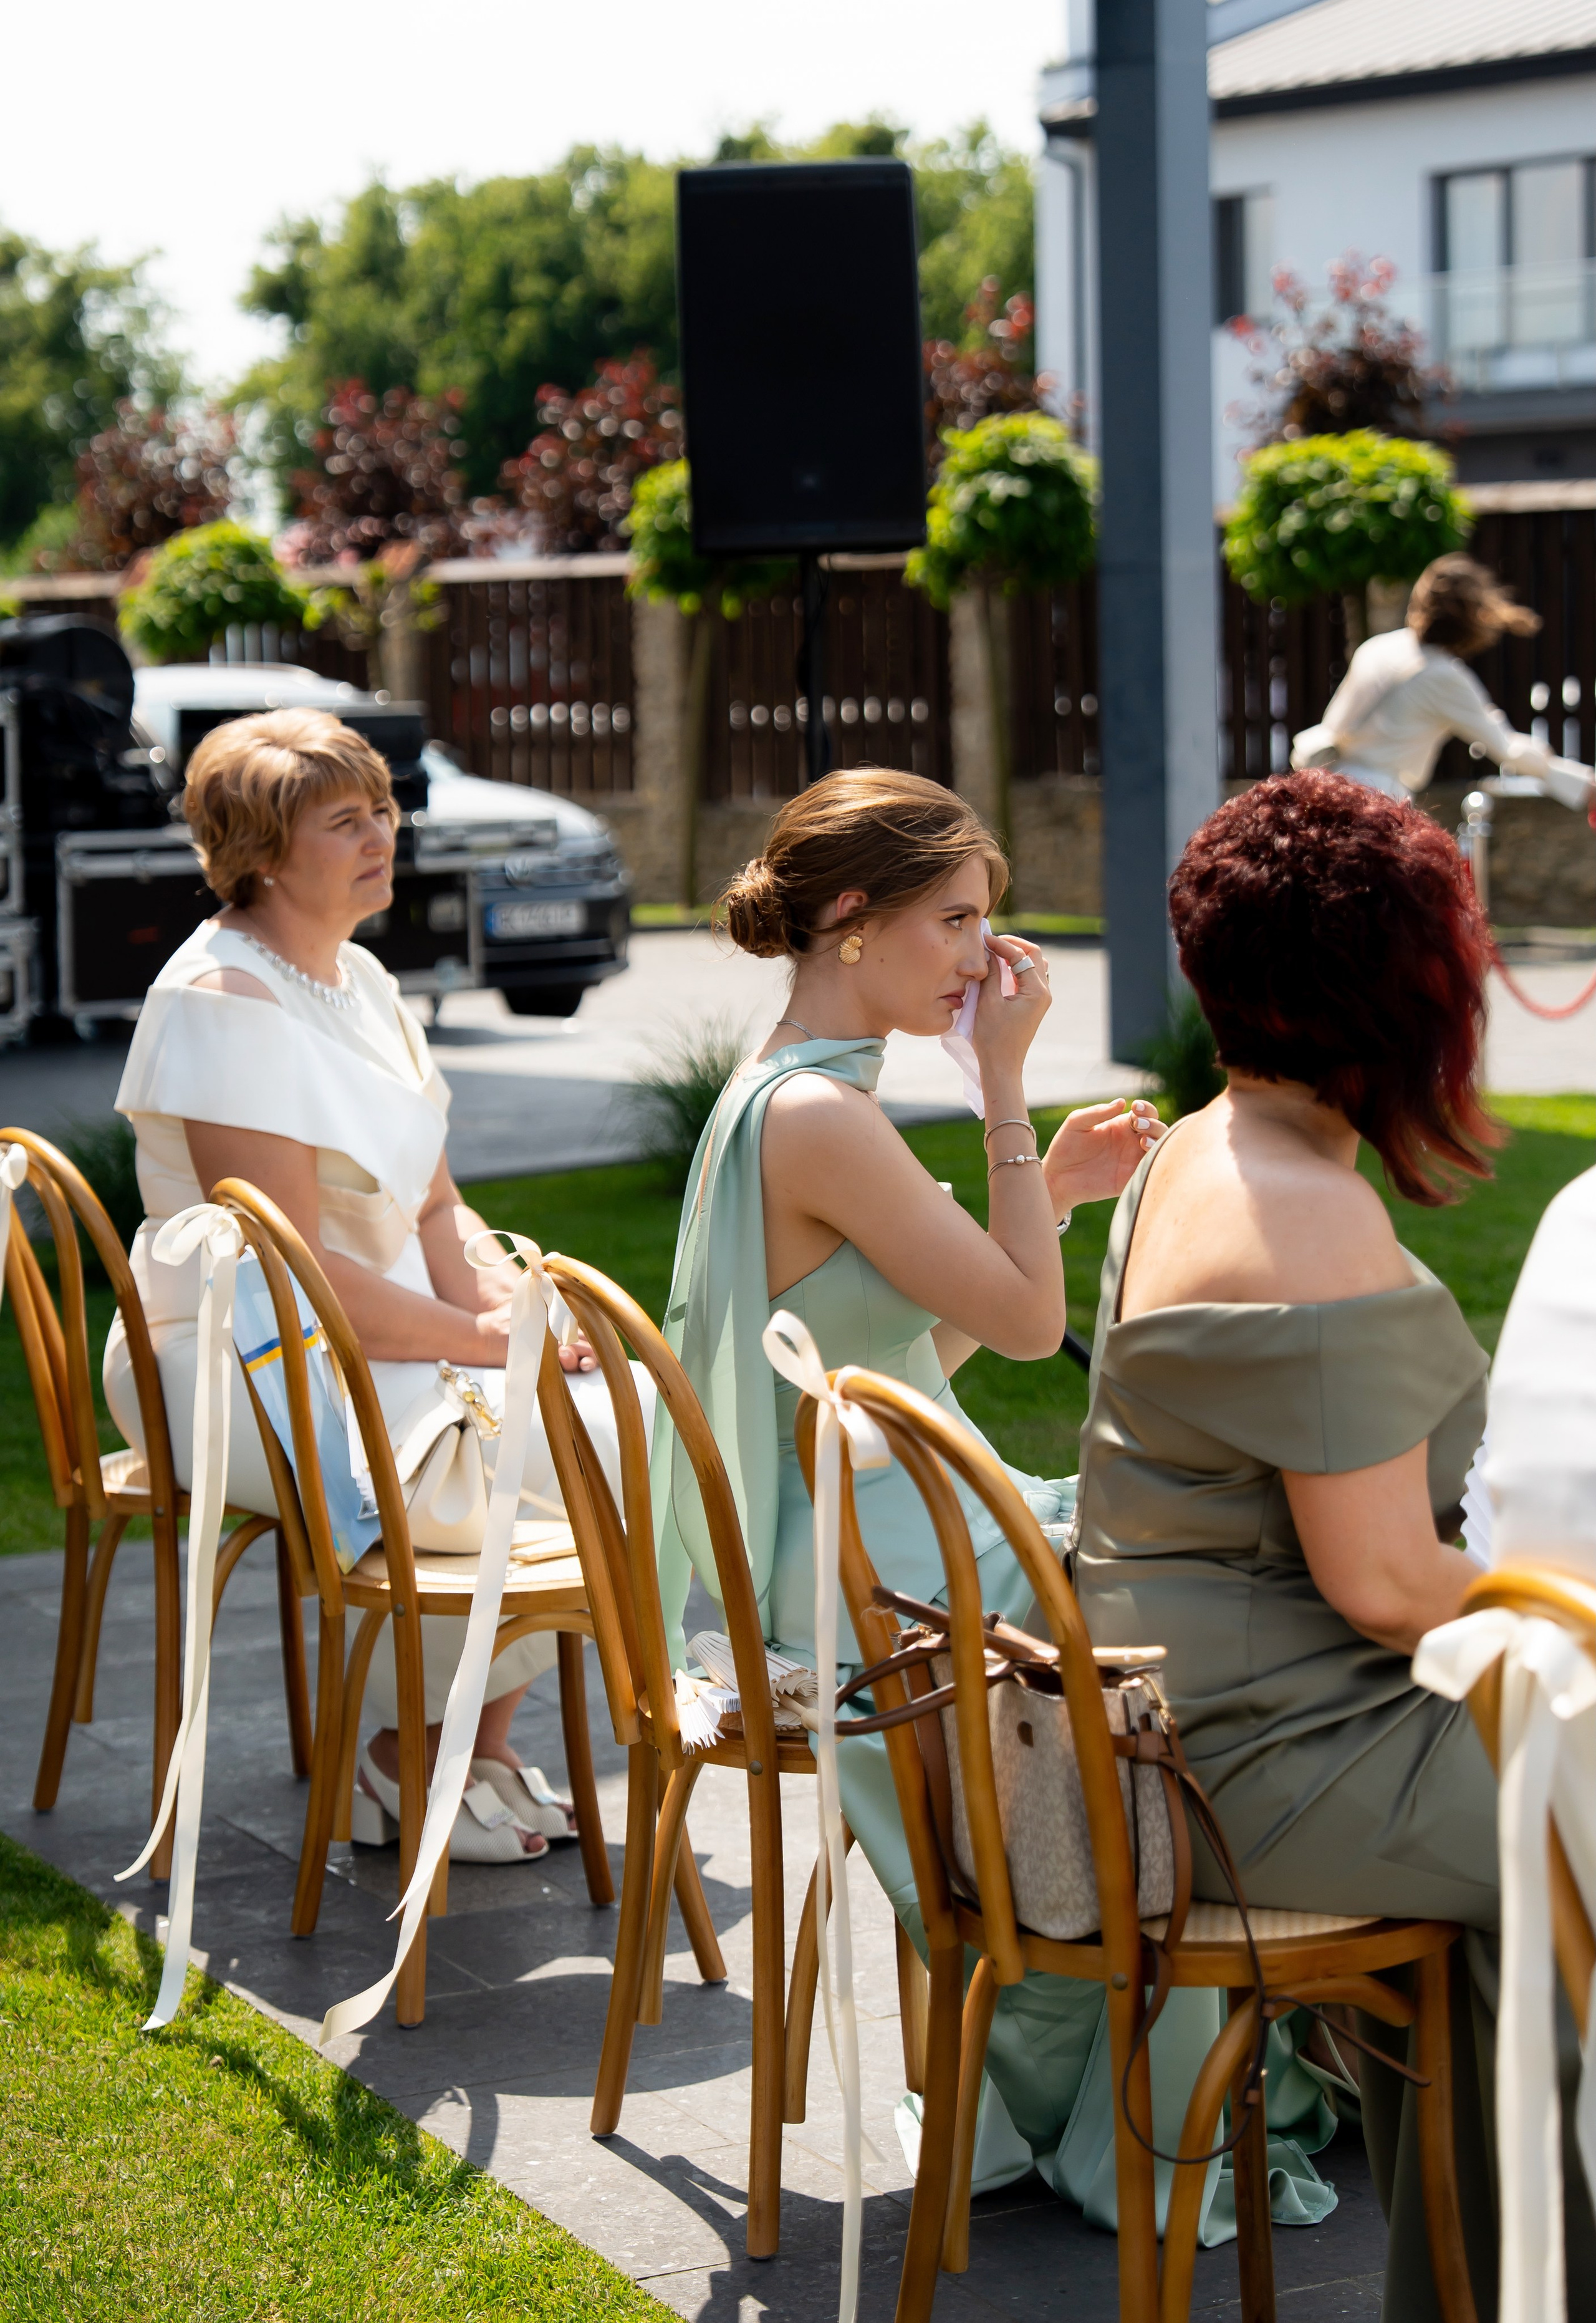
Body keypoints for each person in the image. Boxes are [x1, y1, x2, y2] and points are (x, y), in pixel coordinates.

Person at [651, 768, 1331, 2238]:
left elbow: (899, 1357)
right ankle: (1204, 2029)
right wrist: (1007, 1098)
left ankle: (1210, 2014)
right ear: (848, 917)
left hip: (872, 1527)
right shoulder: (817, 1119)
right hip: (888, 1583)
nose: (979, 957)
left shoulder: (788, 1098)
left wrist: (1055, 1197)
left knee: (1226, 1561)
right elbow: (1029, 1330)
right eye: (954, 918)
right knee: (1235, 1607)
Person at [1074, 767, 1596, 2314]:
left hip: (1202, 1720)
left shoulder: (1196, 1147)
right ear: (1401, 984)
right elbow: (1385, 1588)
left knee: (1518, 1879)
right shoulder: (1301, 1212)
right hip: (1272, 1756)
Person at [105, 707, 633, 1863]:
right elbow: (290, 1273)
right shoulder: (220, 1000)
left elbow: (437, 1205)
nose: (381, 834)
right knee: (546, 1444)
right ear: (258, 852)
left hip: (388, 1326)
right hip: (245, 1354)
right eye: (343, 819)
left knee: (614, 1419)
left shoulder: (367, 981)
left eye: (383, 809)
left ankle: (471, 1745)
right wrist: (494, 1348)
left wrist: (509, 1308)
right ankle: (407, 1749)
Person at [1291, 552, 1592, 806]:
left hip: (1324, 789)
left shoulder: (1379, 647)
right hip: (1377, 800)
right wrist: (1584, 786)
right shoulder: (1444, 676)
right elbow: (1508, 749)